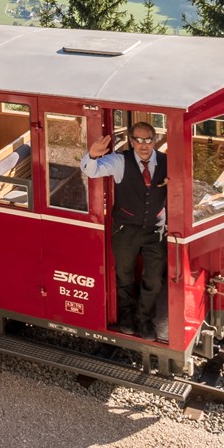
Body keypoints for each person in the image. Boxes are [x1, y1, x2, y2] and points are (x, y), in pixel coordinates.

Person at [80, 121, 169, 343]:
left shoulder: (167, 162)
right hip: (125, 229)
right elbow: (90, 171)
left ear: (155, 140)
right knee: (124, 274)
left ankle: (143, 317)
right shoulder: (120, 161)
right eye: (138, 140)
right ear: (131, 141)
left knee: (154, 279)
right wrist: (92, 155)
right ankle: (128, 314)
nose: (144, 145)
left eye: (148, 140)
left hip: (155, 230)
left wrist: (173, 182)